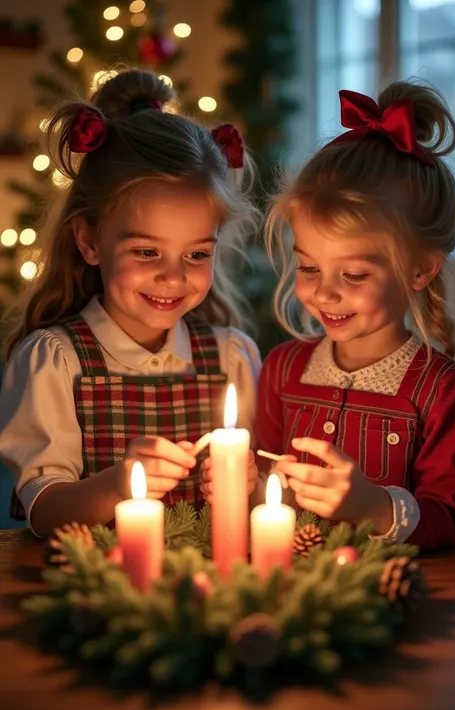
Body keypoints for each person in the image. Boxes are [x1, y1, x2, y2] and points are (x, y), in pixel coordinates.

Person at [0, 68, 261, 537]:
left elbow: (262, 497)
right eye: (146, 251)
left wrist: (253, 484)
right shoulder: (54, 362)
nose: (174, 276)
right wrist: (118, 484)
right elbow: (43, 512)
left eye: (197, 253)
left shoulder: (232, 357)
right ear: (90, 241)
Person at [257, 80, 455, 551]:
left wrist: (375, 507)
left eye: (354, 275)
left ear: (420, 270)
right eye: (309, 267)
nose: (324, 292)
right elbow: (261, 476)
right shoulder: (281, 370)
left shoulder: (443, 393)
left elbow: (454, 519)